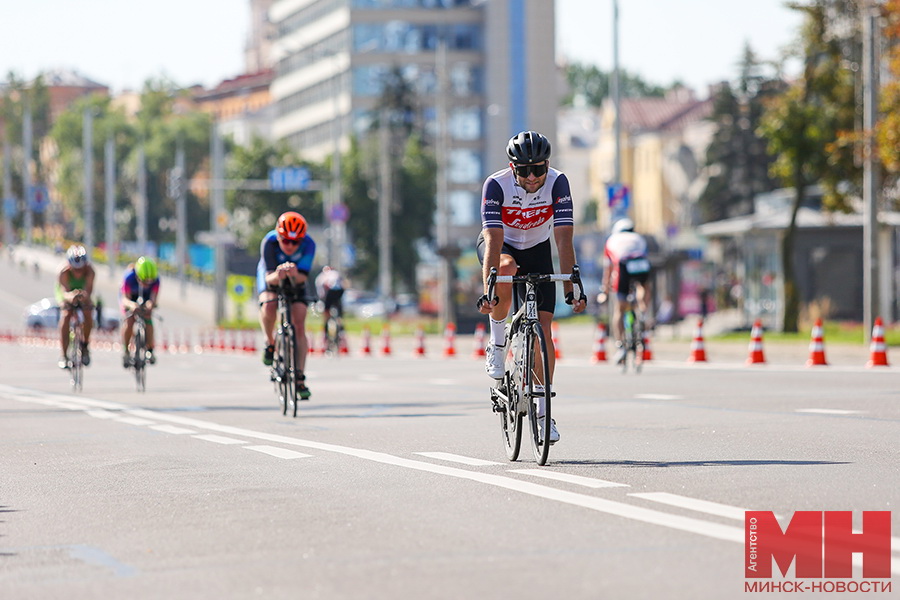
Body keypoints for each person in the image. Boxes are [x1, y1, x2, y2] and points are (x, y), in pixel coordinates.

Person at [476, 130, 587, 444]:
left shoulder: (557, 182)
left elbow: (563, 238)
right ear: (513, 169)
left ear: (547, 164)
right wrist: (489, 288)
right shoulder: (495, 185)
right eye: (524, 170)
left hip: (538, 250)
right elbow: (494, 240)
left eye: (538, 169)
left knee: (544, 329)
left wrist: (571, 288)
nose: (532, 177)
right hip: (502, 246)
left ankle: (542, 411)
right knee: (507, 268)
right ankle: (497, 345)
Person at [257, 211, 316, 400]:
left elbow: (303, 277)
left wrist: (292, 273)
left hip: (296, 279)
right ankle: (270, 342)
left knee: (299, 321)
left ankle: (299, 377)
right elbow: (268, 277)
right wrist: (280, 273)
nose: (290, 246)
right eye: (286, 241)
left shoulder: (309, 245)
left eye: (295, 242)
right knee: (269, 305)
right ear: (278, 235)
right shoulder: (269, 242)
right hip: (272, 276)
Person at [598, 217, 652, 365]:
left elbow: (608, 269)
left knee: (619, 310)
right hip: (641, 264)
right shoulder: (639, 238)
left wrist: (605, 291)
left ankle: (620, 345)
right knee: (644, 286)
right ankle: (643, 312)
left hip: (623, 266)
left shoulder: (611, 240)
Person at [56, 245, 95, 369]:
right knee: (66, 315)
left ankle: (85, 345)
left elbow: (88, 290)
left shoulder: (90, 271)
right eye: (75, 269)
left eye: (80, 269)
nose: (78, 272)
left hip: (82, 293)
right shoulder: (63, 272)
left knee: (88, 313)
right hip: (66, 294)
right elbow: (63, 292)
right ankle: (63, 354)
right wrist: (70, 296)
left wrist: (84, 296)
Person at [120, 256, 161, 368]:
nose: (147, 284)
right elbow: (124, 299)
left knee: (148, 316)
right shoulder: (129, 277)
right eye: (144, 281)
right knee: (129, 320)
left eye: (150, 282)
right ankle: (126, 352)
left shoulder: (156, 280)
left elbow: (153, 298)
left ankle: (150, 349)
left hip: (146, 297)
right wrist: (132, 305)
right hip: (130, 299)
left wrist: (150, 304)